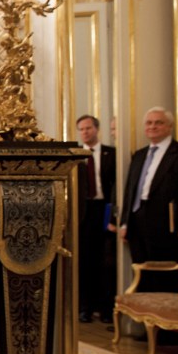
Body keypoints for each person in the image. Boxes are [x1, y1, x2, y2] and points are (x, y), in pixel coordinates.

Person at [119, 107, 178, 292]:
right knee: (142, 276)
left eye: (158, 122)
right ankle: (146, 318)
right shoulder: (139, 155)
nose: (153, 126)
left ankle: (164, 320)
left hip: (168, 225)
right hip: (137, 223)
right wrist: (124, 223)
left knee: (166, 279)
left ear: (169, 127)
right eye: (149, 123)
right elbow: (130, 192)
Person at [75, 114, 117, 324]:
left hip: (105, 209)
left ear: (96, 129)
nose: (85, 132)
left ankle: (107, 308)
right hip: (83, 212)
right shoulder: (75, 156)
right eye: (81, 129)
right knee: (84, 261)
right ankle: (85, 308)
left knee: (107, 261)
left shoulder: (112, 154)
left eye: (88, 128)